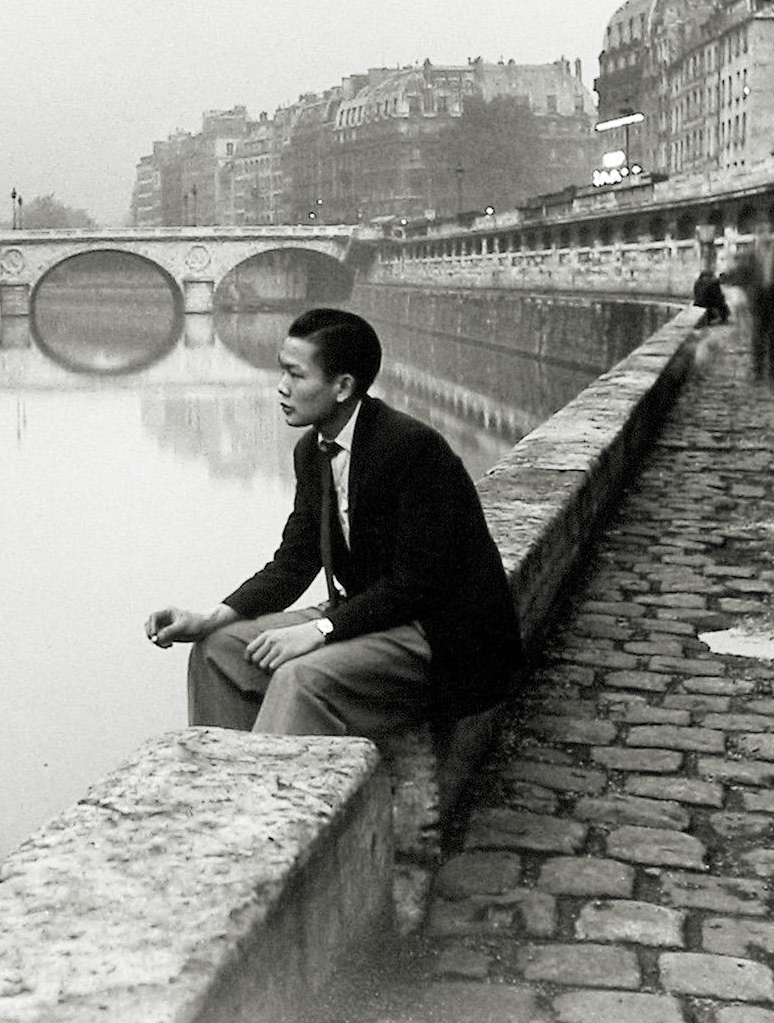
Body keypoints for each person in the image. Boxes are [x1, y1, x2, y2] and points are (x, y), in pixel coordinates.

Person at [143, 307, 523, 737]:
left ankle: (269, 795)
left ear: (343, 387)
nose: (281, 388)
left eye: (296, 375)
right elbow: (293, 564)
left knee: (300, 677)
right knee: (219, 650)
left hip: (441, 633)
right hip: (372, 615)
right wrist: (210, 618)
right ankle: (224, 778)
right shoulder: (312, 452)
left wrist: (321, 631)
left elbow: (419, 583)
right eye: (282, 372)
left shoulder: (412, 449)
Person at [731, 222, 774, 385]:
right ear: (757, 237)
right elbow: (740, 275)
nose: (765, 237)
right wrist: (744, 291)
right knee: (758, 337)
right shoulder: (749, 255)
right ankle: (758, 372)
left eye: (767, 233)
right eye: (761, 234)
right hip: (758, 300)